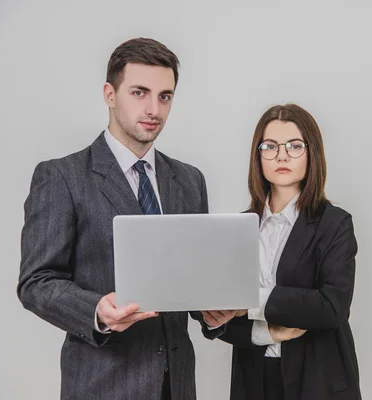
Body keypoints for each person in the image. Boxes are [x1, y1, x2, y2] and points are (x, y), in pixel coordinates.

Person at [17, 37, 235, 400]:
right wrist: (97, 312)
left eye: (164, 96)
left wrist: (212, 313)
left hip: (177, 386)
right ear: (109, 94)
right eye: (139, 92)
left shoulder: (189, 180)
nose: (153, 108)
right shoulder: (63, 176)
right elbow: (36, 282)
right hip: (103, 384)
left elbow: (191, 276)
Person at [205, 104, 362, 399]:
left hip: (318, 380)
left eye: (294, 146)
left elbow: (331, 307)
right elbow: (217, 318)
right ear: (258, 155)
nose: (282, 155)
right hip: (253, 379)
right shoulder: (238, 227)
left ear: (312, 152)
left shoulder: (334, 224)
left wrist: (248, 301)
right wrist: (266, 332)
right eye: (270, 146)